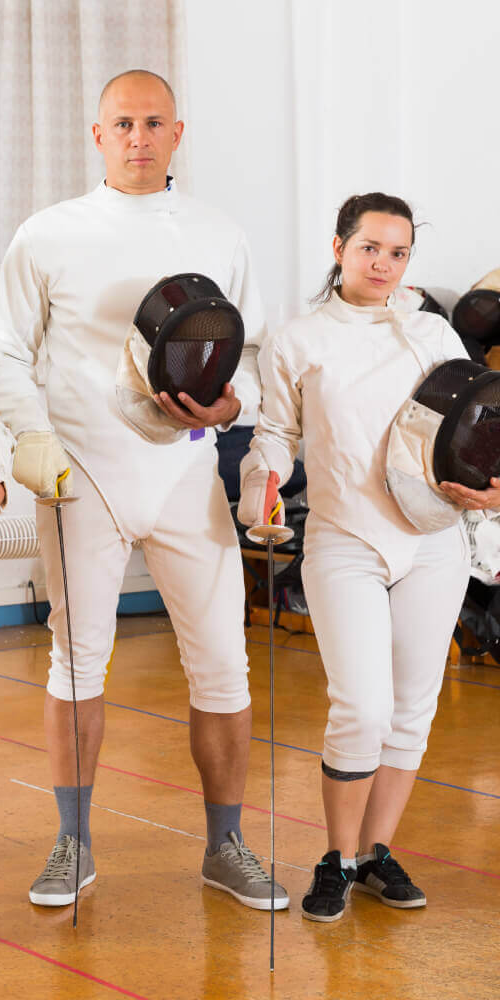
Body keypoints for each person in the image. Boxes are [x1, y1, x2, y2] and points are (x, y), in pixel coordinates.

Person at [0, 70, 287, 910]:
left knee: (224, 668)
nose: (139, 138)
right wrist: (33, 439)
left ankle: (226, 847)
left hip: (188, 472)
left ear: (178, 133)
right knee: (75, 665)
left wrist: (235, 407)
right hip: (84, 477)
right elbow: (2, 353)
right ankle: (71, 844)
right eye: (123, 123)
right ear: (97, 135)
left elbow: (254, 357)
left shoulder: (218, 233)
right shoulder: (47, 236)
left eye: (154, 123)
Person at [238, 192, 496, 921]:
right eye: (369, 248)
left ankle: (375, 854)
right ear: (339, 248)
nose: (383, 263)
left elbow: (477, 433)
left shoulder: (435, 338)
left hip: (433, 539)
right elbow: (273, 437)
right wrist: (259, 487)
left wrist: (491, 492)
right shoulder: (299, 340)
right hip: (345, 538)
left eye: (399, 251)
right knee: (363, 705)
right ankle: (337, 855)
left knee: (412, 708)